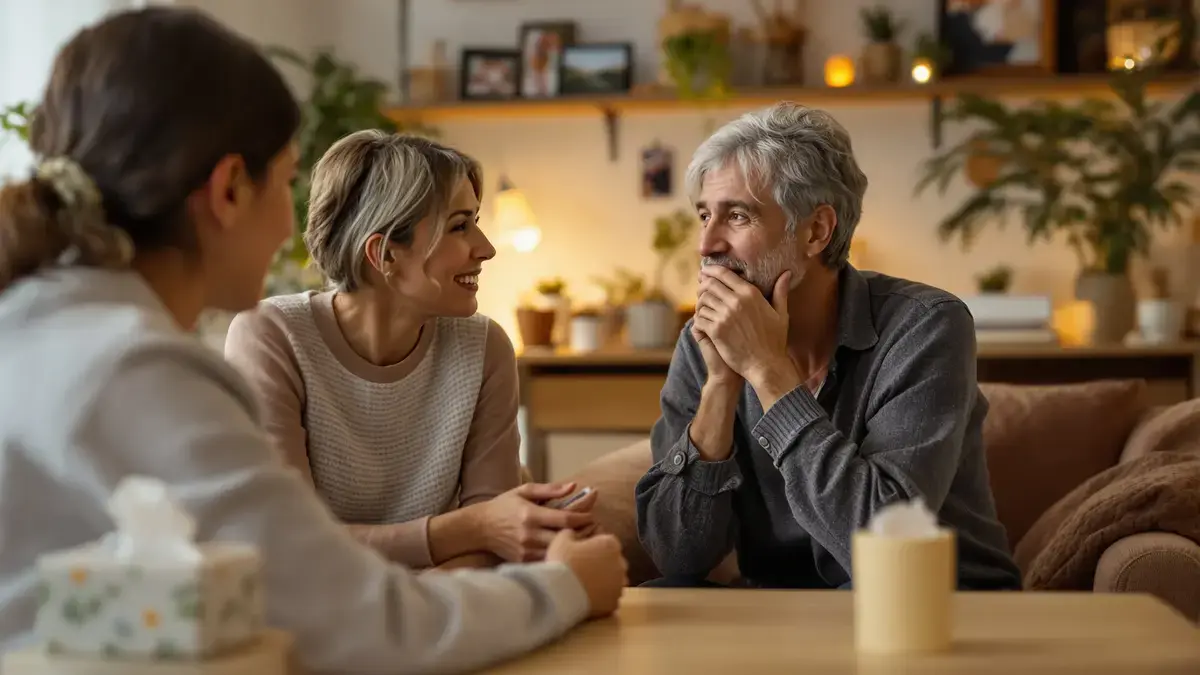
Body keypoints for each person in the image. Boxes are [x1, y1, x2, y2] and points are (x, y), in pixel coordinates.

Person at [0, 7, 626, 674]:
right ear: (230, 189)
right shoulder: (135, 367)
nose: (292, 227)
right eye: (290, 180)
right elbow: (350, 621)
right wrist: (565, 586)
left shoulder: (45, 323)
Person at [634, 102, 1022, 591]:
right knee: (664, 594)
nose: (707, 244)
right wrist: (720, 385)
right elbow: (677, 554)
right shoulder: (706, 342)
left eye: (737, 216)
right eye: (704, 215)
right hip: (787, 614)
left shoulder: (925, 327)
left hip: (930, 601)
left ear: (816, 230)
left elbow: (886, 545)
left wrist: (769, 372)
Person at [224, 131, 598, 571]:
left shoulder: (484, 349)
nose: (486, 248)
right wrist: (472, 527)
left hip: (442, 615)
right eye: (460, 226)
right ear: (385, 255)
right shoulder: (272, 336)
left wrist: (474, 546)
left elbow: (496, 546)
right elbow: (291, 541)